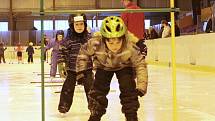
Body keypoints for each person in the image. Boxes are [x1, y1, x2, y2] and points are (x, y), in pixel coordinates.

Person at [77, 16, 148, 121]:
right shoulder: (96, 43)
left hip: (124, 66)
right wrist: (82, 72)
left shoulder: (130, 45)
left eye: (118, 42)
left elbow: (140, 64)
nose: (114, 46)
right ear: (104, 39)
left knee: (128, 89)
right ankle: (95, 115)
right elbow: (83, 53)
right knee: (98, 91)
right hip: (103, 66)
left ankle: (131, 116)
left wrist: (141, 86)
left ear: (123, 38)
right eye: (110, 43)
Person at [57, 13, 94, 114]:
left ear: (85, 25)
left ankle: (93, 106)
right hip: (72, 68)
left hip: (87, 68)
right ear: (72, 25)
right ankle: (64, 105)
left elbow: (96, 51)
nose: (79, 27)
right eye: (76, 24)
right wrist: (61, 64)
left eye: (81, 24)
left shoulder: (89, 38)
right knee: (68, 87)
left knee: (91, 87)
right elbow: (62, 52)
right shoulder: (68, 40)